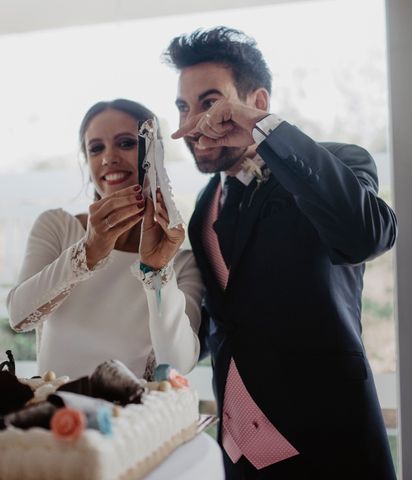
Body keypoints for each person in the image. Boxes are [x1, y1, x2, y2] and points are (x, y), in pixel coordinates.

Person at [163, 27, 397, 479]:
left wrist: (265, 133)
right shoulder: (200, 210)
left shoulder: (336, 162)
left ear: (258, 104)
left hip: (332, 445)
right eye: (183, 107)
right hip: (237, 456)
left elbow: (367, 235)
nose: (192, 124)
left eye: (210, 103)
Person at [6, 99, 203, 380]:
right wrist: (88, 253)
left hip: (133, 422)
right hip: (57, 419)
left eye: (126, 143)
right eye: (96, 148)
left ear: (154, 154)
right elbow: (19, 316)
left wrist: (157, 270)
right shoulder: (58, 227)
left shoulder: (182, 263)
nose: (109, 157)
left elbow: (176, 366)